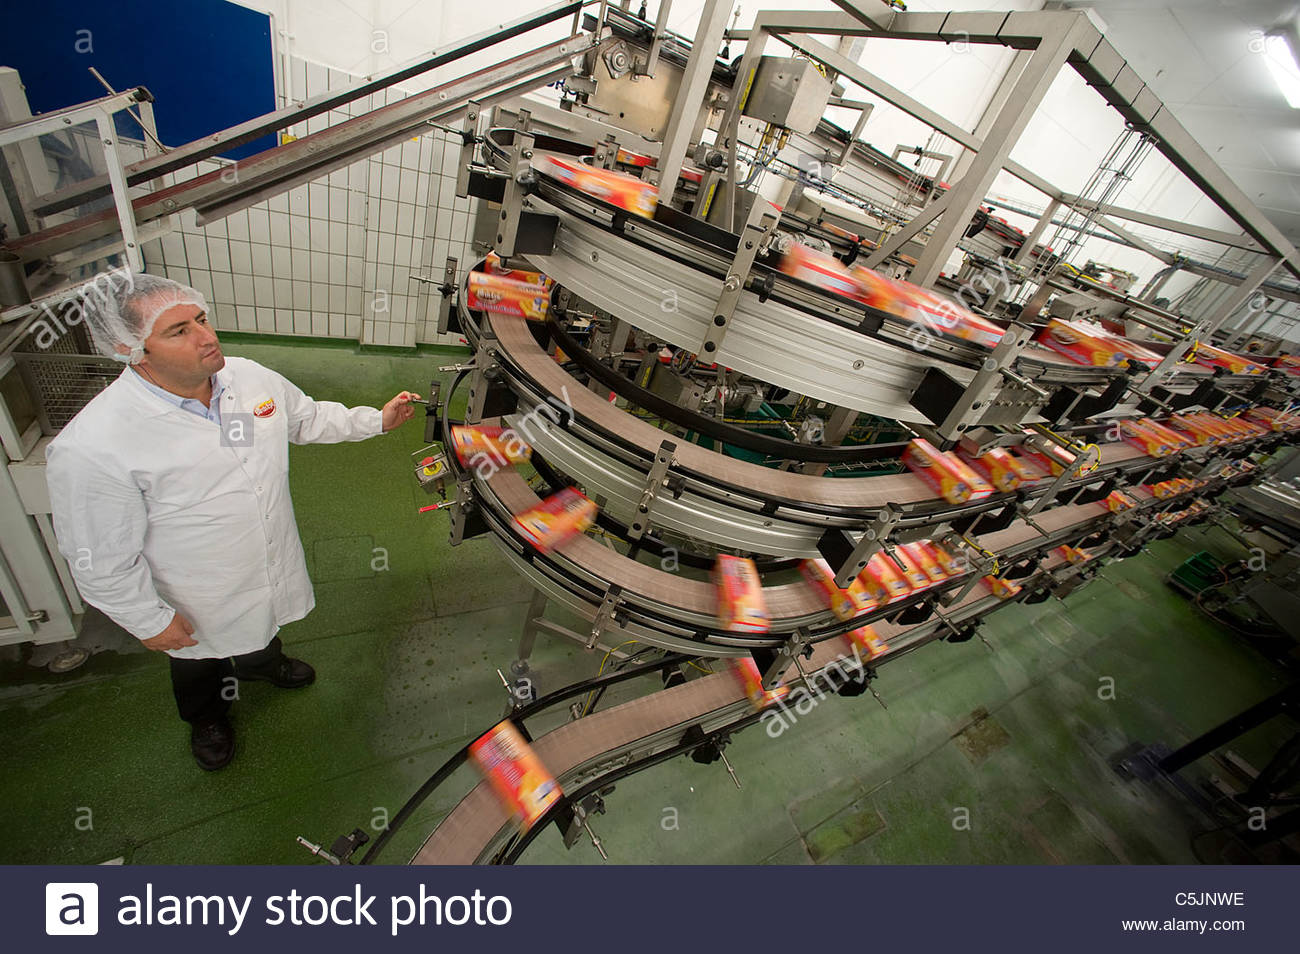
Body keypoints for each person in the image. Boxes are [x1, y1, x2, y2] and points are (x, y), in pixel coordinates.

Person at [46, 273, 420, 770]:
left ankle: (263, 663)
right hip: (196, 590)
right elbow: (99, 557)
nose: (206, 337)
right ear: (129, 347)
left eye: (201, 319)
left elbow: (303, 419)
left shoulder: (247, 379)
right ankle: (207, 718)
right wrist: (148, 621)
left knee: (262, 622)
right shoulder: (96, 444)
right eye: (178, 331)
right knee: (197, 656)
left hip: (266, 554)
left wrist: (374, 419)